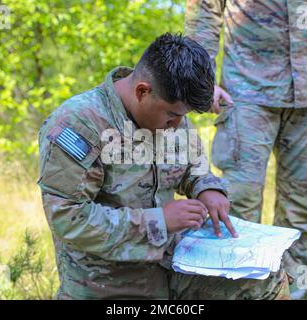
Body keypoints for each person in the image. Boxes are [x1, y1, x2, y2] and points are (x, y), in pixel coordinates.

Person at [37, 32, 289, 299]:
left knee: (266, 281)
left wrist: (208, 188)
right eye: (173, 115)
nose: (178, 124)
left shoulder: (168, 115)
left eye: (184, 116)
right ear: (142, 91)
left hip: (173, 262)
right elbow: (67, 218)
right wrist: (159, 222)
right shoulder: (79, 124)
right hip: (106, 281)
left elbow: (193, 166)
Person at [185, 0, 307, 299]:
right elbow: (205, 9)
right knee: (238, 203)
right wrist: (202, 77)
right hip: (246, 93)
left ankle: (291, 289)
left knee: (301, 207)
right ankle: (239, 289)